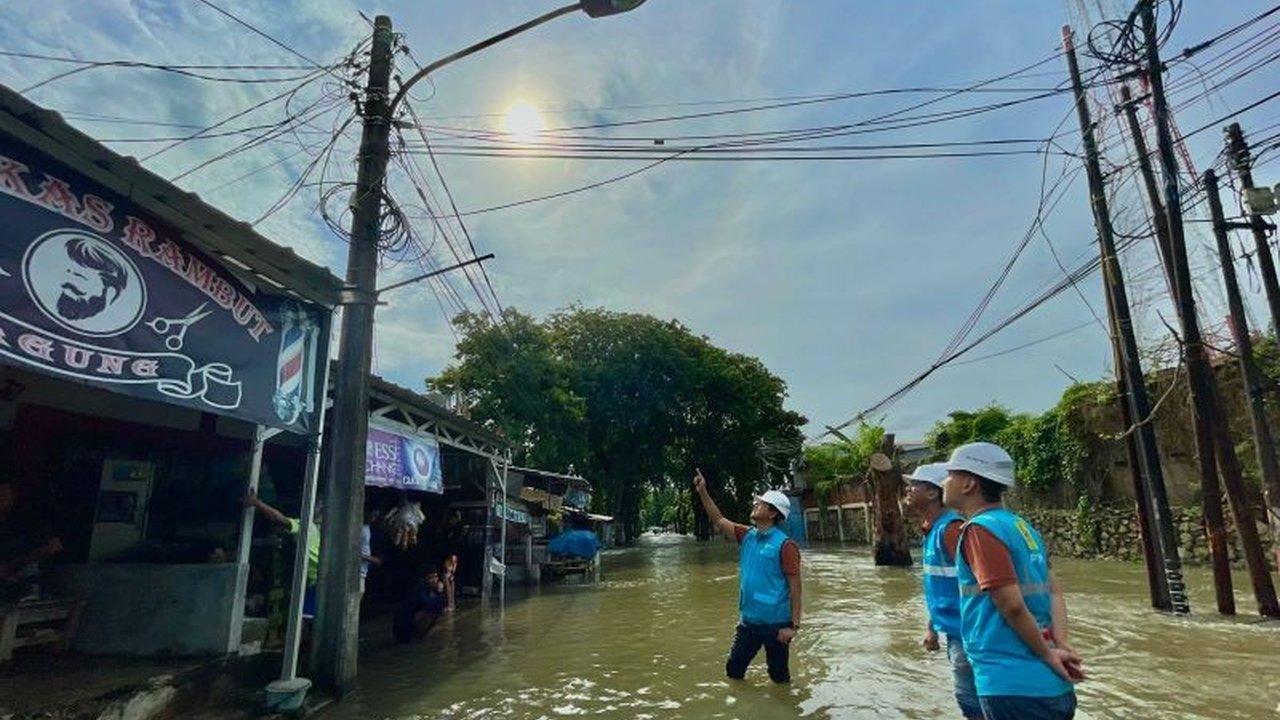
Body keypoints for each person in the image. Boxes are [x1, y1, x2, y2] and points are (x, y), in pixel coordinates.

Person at [941, 442, 1083, 720]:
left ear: (969, 484)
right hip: (1052, 684)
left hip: (1012, 686)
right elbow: (1054, 591)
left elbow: (1012, 605)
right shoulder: (1021, 526)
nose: (944, 481)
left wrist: (1048, 655)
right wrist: (1059, 644)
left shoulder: (980, 530)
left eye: (950, 474)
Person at [693, 468, 801, 684]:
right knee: (733, 669)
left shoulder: (785, 545)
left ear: (772, 513)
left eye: (761, 504)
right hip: (749, 622)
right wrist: (702, 491)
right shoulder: (747, 536)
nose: (755, 504)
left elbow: (795, 587)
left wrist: (793, 626)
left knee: (779, 677)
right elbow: (718, 519)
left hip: (777, 625)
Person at [903, 463, 981, 719]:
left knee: (971, 700)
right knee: (969, 699)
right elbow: (944, 588)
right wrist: (932, 628)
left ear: (933, 493)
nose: (908, 490)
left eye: (914, 485)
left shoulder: (950, 530)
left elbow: (983, 582)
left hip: (969, 632)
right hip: (955, 630)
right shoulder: (933, 529)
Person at [243, 489, 321, 618]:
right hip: (314, 581)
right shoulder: (322, 530)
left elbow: (278, 519)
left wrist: (257, 503)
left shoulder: (307, 527)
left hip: (315, 581)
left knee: (305, 620)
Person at [0, 480, 62, 603]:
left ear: (12, 498)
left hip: (22, 581)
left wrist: (24, 560)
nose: (1, 498)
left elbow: (54, 546)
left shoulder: (22, 523)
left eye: (4, 494)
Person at [392, 568, 446, 643]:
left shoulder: (430, 589)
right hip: (404, 627)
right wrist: (439, 593)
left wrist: (439, 594)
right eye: (431, 577)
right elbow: (428, 605)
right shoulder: (418, 589)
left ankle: (418, 637)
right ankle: (413, 637)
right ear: (424, 579)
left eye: (436, 577)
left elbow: (440, 608)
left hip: (411, 623)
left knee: (435, 613)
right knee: (429, 612)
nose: (435, 580)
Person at [361, 506, 382, 599]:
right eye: (372, 515)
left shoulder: (368, 529)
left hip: (363, 570)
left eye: (375, 517)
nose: (373, 519)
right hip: (357, 571)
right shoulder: (359, 528)